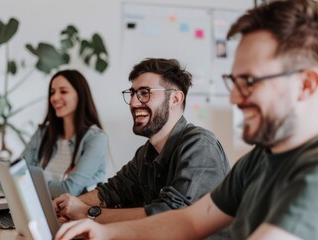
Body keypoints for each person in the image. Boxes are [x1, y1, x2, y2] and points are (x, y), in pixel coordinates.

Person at [54, 0, 318, 239]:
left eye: (249, 81)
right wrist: (102, 232)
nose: (234, 99)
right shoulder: (257, 160)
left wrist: (91, 215)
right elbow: (188, 221)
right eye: (233, 82)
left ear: (306, 85)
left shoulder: (311, 174)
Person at [54, 58, 230, 239]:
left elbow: (168, 217)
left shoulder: (200, 146)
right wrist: (68, 206)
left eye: (145, 93)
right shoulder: (147, 152)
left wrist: (88, 213)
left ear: (175, 99)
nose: (133, 103)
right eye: (132, 93)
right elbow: (113, 190)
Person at [22, 69, 108, 199]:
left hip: (71, 216)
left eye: (63, 91)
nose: (55, 98)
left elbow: (70, 190)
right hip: (36, 208)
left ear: (80, 95)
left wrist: (31, 184)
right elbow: (18, 176)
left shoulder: (96, 139)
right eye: (52, 92)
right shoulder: (42, 133)